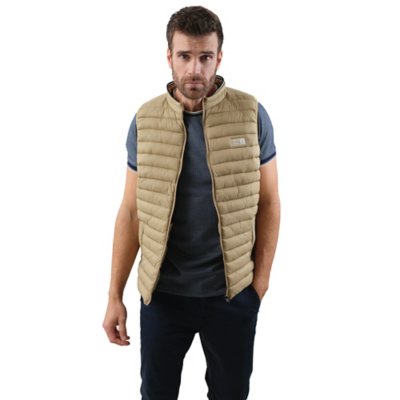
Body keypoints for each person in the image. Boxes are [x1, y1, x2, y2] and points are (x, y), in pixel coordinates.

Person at [103, 6, 280, 400]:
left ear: (220, 57)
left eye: (205, 57)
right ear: (169, 56)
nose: (195, 69)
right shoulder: (146, 120)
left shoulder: (251, 114)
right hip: (163, 296)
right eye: (184, 56)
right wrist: (114, 295)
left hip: (232, 295)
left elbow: (269, 201)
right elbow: (131, 212)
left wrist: (259, 285)